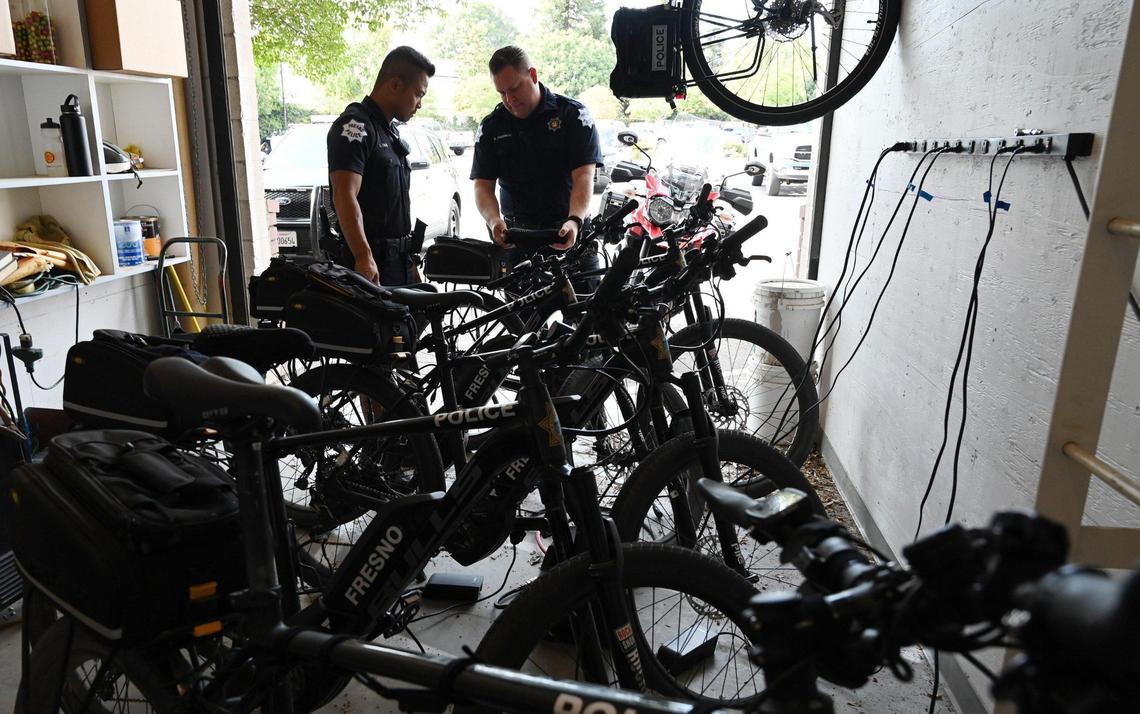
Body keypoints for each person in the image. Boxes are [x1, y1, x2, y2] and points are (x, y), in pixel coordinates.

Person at [470, 46, 603, 288]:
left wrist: (574, 220)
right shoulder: (492, 126)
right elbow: (482, 185)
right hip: (518, 239)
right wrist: (493, 220)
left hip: (569, 230)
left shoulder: (573, 115)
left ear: (533, 75)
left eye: (514, 88)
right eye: (501, 93)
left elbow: (584, 175)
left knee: (589, 316)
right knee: (522, 323)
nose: (509, 100)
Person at [327, 46, 434, 285]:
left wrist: (410, 262)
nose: (419, 104)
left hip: (399, 262)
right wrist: (363, 256)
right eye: (418, 94)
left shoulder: (388, 131)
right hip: (370, 265)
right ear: (395, 85)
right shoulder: (354, 126)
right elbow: (344, 195)